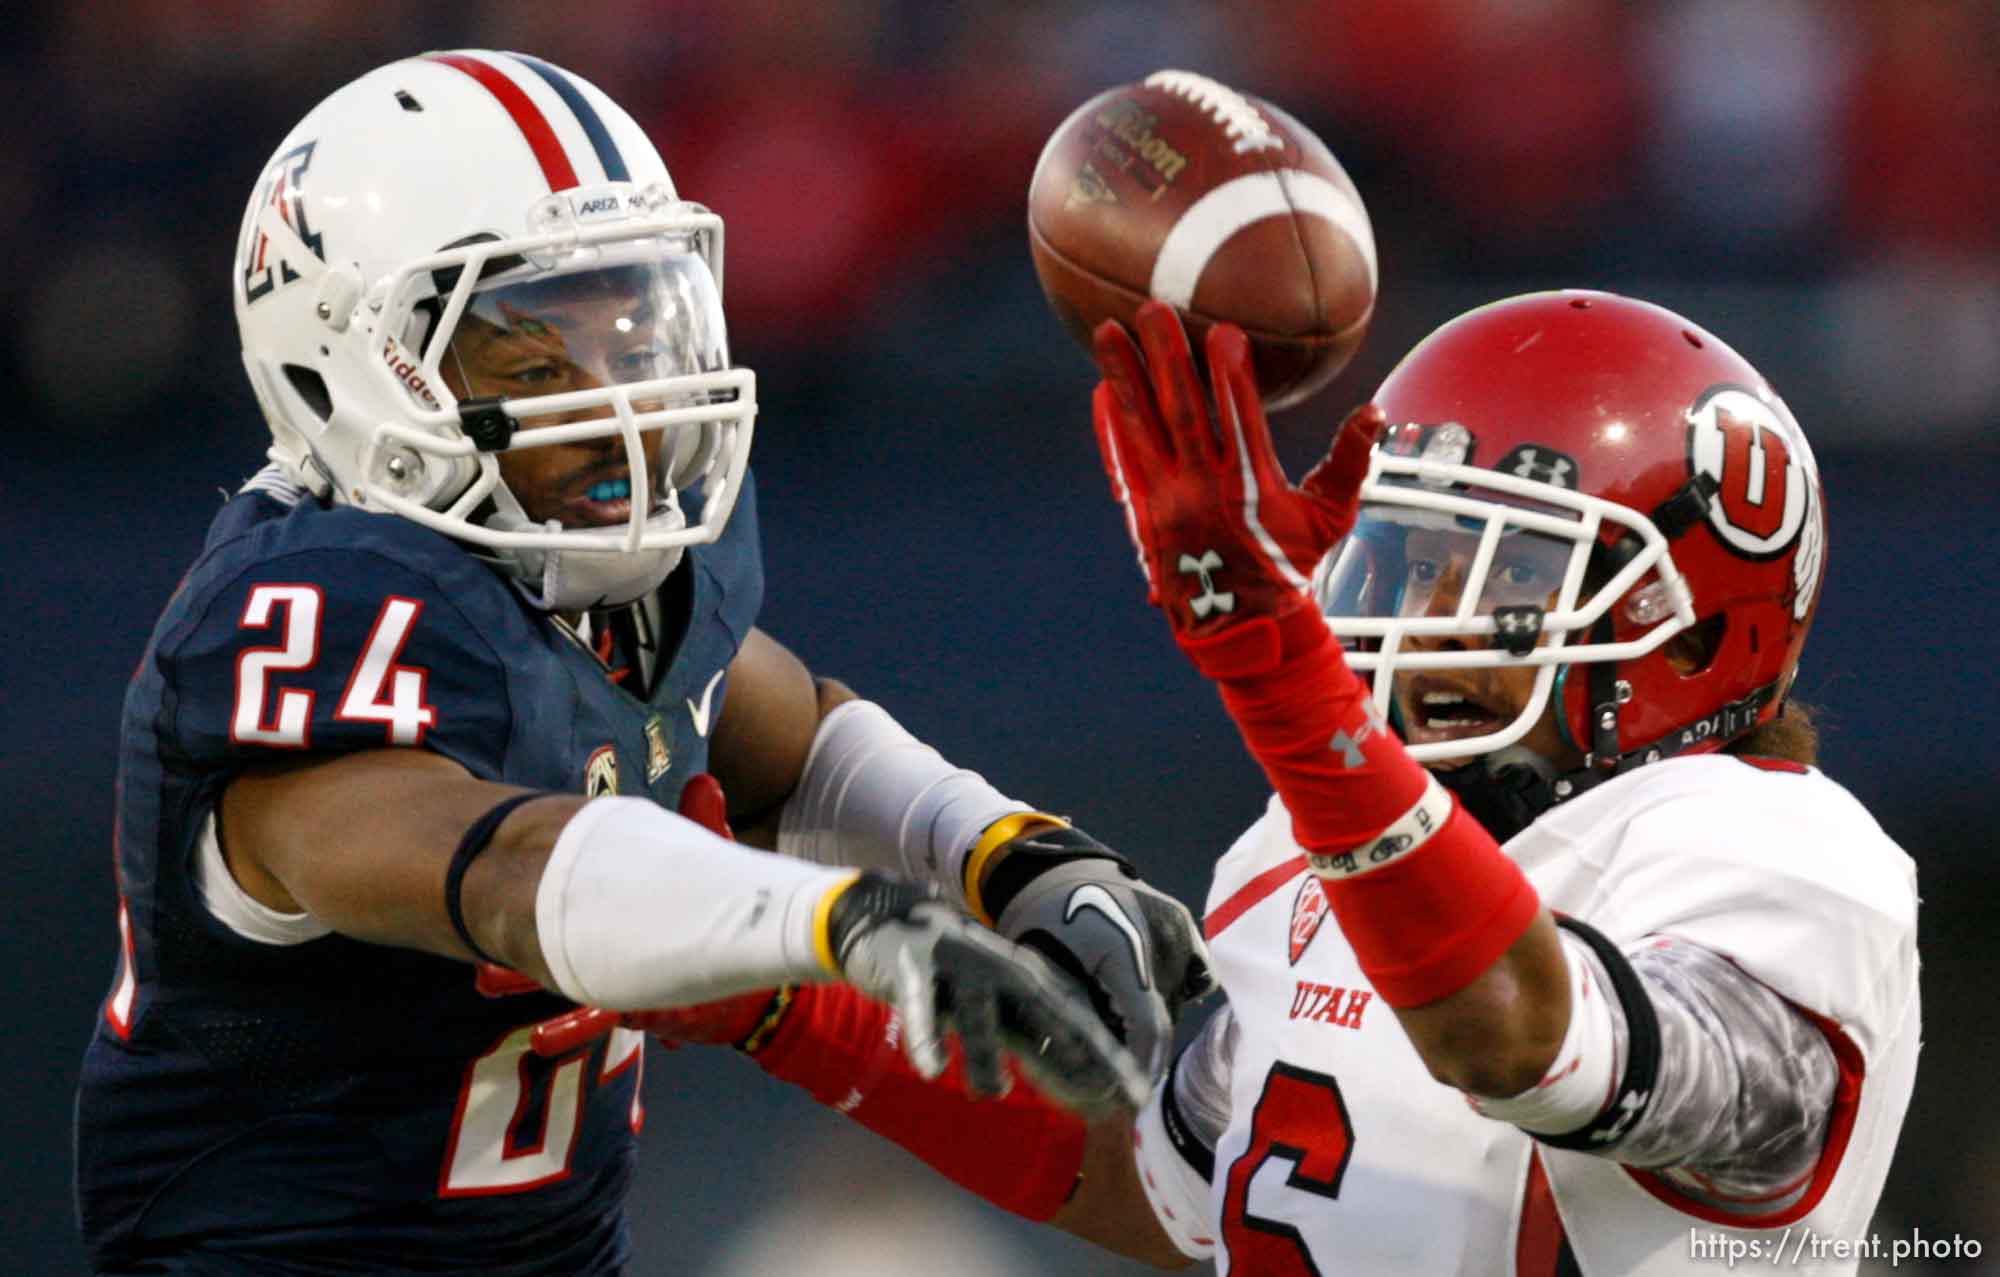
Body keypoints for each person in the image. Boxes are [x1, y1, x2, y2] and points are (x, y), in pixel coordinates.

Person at [74, 50, 1214, 1276]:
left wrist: (1004, 854)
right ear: (341, 365)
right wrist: (839, 920)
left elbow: (791, 732)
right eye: (533, 362)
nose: (618, 402)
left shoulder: (606, 578)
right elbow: (507, 866)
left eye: (634, 329)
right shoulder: (316, 608)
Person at [975, 293, 1918, 1273]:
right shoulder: (1315, 850)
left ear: (1687, 630)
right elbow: (1157, 1182)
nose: (1423, 624)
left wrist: (1277, 678)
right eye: (1411, 557)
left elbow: (1522, 1044)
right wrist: (816, 954)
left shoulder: (1780, 847)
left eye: (1504, 572)